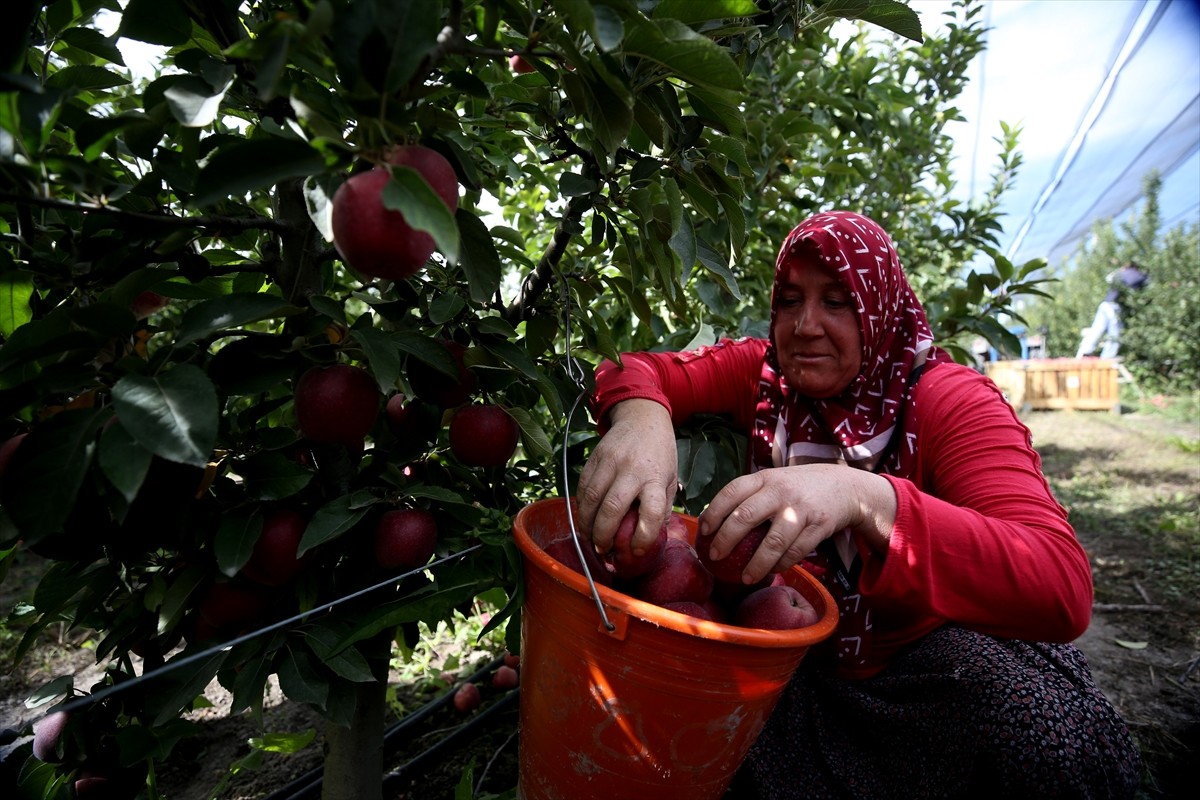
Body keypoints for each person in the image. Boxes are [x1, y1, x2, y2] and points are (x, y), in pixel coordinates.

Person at [577, 211, 1142, 799]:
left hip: (922, 675)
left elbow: (1060, 582)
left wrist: (869, 499)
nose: (805, 325)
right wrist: (642, 417)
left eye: (838, 302)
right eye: (790, 300)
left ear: (879, 308)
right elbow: (637, 369)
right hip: (799, 668)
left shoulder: (951, 402)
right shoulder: (767, 376)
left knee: (1022, 720)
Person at [1076, 261, 1149, 359]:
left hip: (1106, 304)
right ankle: (1107, 359)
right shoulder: (1134, 274)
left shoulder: (1120, 273)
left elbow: (1109, 278)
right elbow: (1145, 283)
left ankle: (1083, 354)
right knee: (1115, 333)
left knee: (1097, 330)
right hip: (1115, 306)